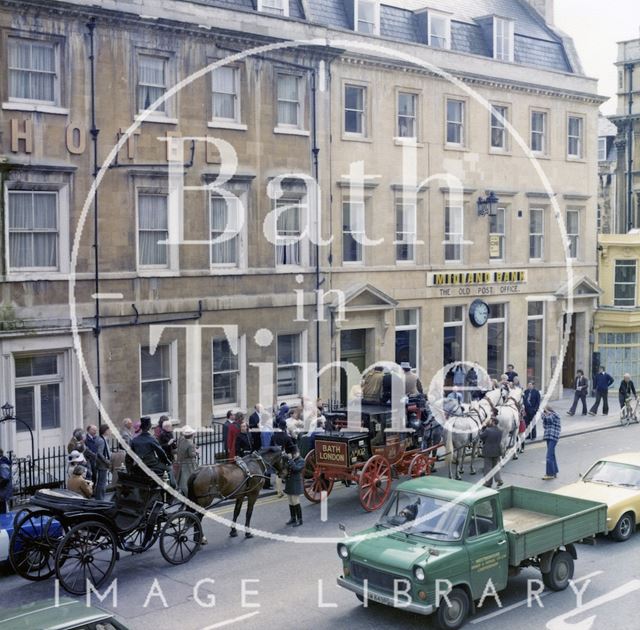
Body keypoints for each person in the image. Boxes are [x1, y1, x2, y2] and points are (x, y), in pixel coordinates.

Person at [479, 418, 503, 488]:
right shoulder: (500, 430)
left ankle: (488, 483)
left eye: (490, 421)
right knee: (495, 466)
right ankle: (499, 480)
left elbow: (481, 436)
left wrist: (481, 429)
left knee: (488, 467)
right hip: (497, 450)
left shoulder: (487, 430)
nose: (489, 421)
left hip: (488, 451)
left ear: (493, 422)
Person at [284, 450, 305, 527]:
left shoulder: (301, 460)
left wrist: (290, 460)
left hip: (296, 482)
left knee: (295, 501)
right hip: (289, 482)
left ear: (299, 453)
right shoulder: (292, 460)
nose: (294, 455)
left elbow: (296, 469)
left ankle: (300, 519)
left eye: (295, 453)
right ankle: (293, 518)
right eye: (293, 453)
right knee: (290, 501)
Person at [175, 425, 198, 495]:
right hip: (189, 463)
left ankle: (183, 491)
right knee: (191, 478)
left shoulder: (182, 440)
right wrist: (196, 453)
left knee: (183, 479)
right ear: (191, 435)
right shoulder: (190, 443)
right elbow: (191, 454)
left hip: (183, 462)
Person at [542, 407, 561, 480]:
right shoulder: (548, 416)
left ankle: (549, 474)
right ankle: (554, 472)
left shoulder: (555, 415)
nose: (544, 413)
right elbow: (545, 425)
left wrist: (545, 415)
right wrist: (544, 416)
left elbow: (550, 419)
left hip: (553, 437)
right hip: (548, 437)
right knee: (552, 455)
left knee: (549, 456)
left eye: (545, 411)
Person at [93, 424, 111, 500]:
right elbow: (100, 453)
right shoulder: (101, 440)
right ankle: (100, 498)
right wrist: (106, 461)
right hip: (102, 464)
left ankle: (99, 497)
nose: (109, 431)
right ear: (105, 431)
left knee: (101, 482)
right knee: (102, 483)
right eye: (108, 430)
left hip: (100, 464)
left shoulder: (100, 439)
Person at [0, 449, 12, 514]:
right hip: (2, 494)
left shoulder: (2, 464)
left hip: (2, 494)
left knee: (3, 514)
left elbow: (5, 478)